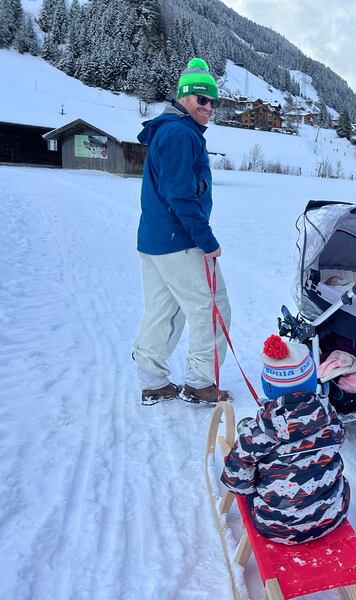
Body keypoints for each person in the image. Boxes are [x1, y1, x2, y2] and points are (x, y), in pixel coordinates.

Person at [132, 57, 232, 405]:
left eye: (213, 101)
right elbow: (180, 194)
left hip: (155, 241)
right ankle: (201, 382)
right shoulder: (179, 134)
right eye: (202, 100)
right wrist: (206, 240)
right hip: (179, 240)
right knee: (212, 308)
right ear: (184, 99)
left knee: (164, 310)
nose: (209, 108)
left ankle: (152, 379)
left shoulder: (172, 131)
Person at [221, 335, 350, 544]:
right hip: (333, 515)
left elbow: (237, 483)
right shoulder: (330, 418)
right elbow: (337, 442)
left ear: (268, 387)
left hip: (276, 527)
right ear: (312, 383)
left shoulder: (256, 434)